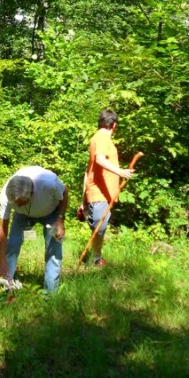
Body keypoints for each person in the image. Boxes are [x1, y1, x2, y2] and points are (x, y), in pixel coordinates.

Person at [0, 166, 69, 293]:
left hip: (51, 213)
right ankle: (6, 287)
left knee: (54, 250)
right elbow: (2, 227)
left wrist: (60, 220)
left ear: (32, 193)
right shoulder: (7, 195)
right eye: (15, 203)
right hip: (22, 217)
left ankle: (50, 295)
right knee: (12, 245)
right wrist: (1, 261)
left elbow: (65, 192)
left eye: (21, 203)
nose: (17, 205)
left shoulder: (49, 185)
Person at [80, 108, 134, 267]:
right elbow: (99, 160)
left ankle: (97, 259)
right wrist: (120, 171)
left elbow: (88, 169)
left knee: (101, 228)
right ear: (114, 125)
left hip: (104, 193)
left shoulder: (100, 138)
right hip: (99, 193)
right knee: (99, 226)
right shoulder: (102, 137)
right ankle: (96, 258)